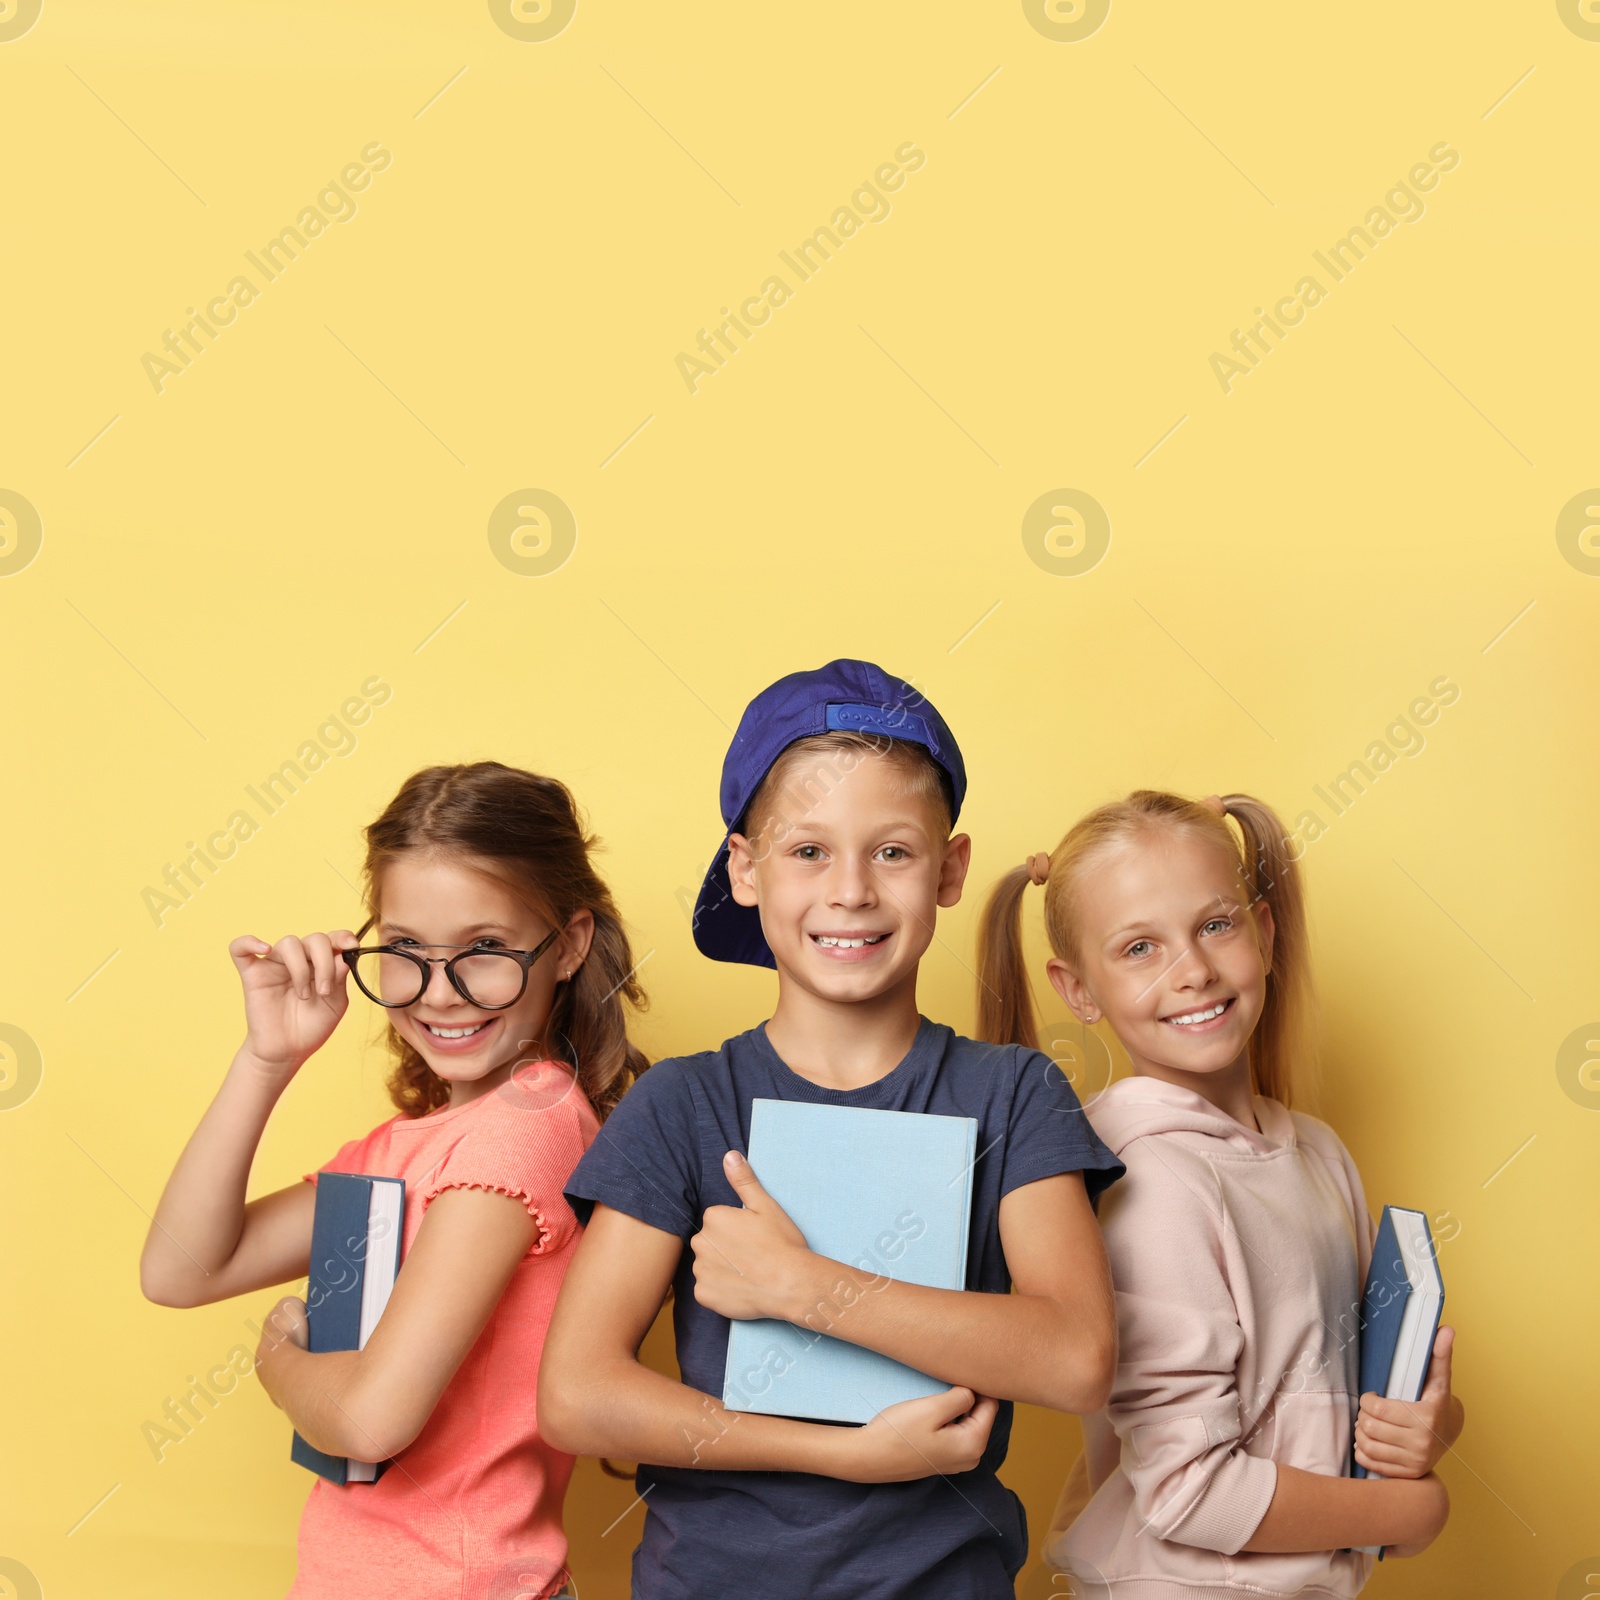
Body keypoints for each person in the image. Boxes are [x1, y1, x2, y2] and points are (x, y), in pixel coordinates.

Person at [540, 659, 1126, 1600]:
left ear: (951, 869)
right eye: (808, 851)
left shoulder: (1014, 1094)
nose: (850, 891)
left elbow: (1077, 1358)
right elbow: (578, 1394)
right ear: (745, 867)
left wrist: (805, 1287)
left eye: (891, 851)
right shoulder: (685, 1104)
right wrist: (846, 1456)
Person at [140, 762, 647, 1600]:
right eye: (406, 951)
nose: (439, 994)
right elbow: (182, 1269)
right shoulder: (413, 1145)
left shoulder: (525, 1128)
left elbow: (376, 1418)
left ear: (571, 945)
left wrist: (278, 1363)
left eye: (484, 950)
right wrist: (268, 1059)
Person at [976, 789, 1465, 1598]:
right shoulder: (1146, 1179)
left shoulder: (1315, 1150)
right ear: (1079, 991)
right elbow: (1188, 1491)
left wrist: (1427, 1427)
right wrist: (1409, 1517)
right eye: (1139, 948)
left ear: (1264, 934)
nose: (1193, 970)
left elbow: (1342, 1390)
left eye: (1215, 925)